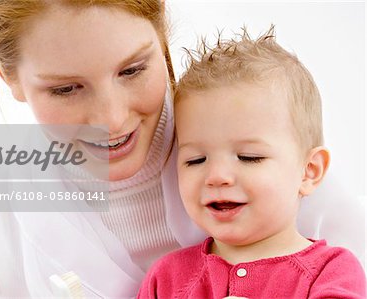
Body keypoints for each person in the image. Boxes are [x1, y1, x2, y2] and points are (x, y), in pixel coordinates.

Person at [0, 1, 363, 298]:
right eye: (66, 88)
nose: (112, 120)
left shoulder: (276, 159)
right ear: (6, 73)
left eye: (133, 69)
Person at [137, 28, 366, 298]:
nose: (217, 176)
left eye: (249, 157)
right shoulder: (166, 277)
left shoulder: (332, 271)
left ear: (309, 171)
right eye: (195, 160)